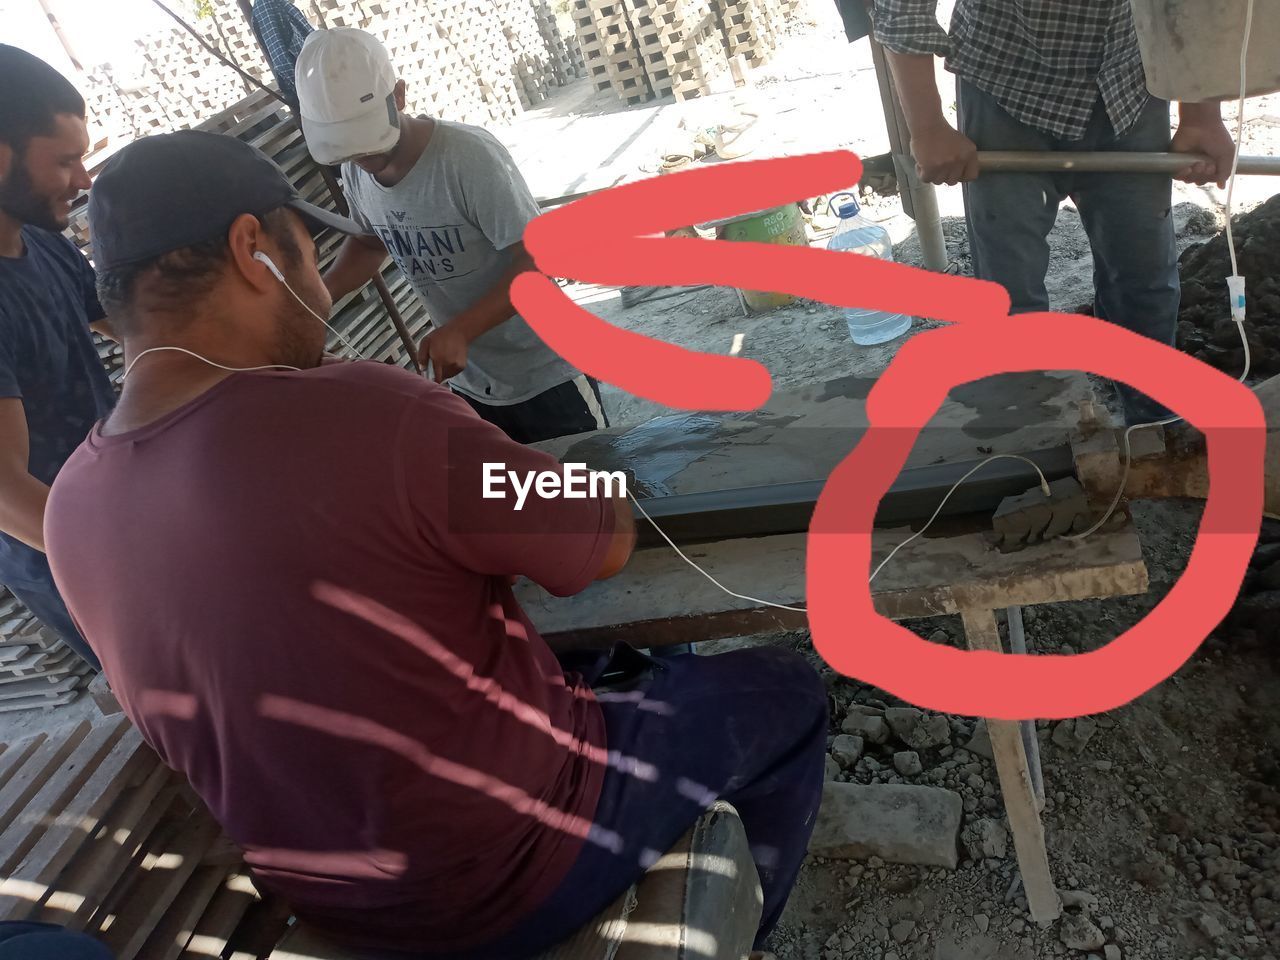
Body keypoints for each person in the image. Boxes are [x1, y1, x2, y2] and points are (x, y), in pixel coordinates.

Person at [45, 129, 828, 959]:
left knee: (595, 671)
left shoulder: (68, 508)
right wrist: (592, 481)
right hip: (507, 871)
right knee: (781, 692)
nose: (321, 284)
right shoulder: (366, 413)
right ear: (253, 251)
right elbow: (597, 546)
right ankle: (742, 927)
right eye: (308, 251)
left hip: (331, 901)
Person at [870, 0, 1237, 425]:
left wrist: (1201, 113)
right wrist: (928, 127)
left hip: (1129, 86)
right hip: (1007, 87)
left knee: (1145, 282)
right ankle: (1033, 443)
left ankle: (1153, 428)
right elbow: (901, 8)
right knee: (1009, 294)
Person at [296, 28, 609, 444]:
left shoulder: (466, 158)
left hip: (545, 373)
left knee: (589, 490)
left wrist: (461, 329)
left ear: (400, 96)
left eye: (369, 145)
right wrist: (318, 299)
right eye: (350, 150)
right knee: (516, 498)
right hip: (472, 382)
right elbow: (370, 241)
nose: (363, 160)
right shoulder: (356, 171)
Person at [0, 45, 112, 673]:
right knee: (184, 702)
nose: (84, 180)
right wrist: (125, 555)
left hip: (116, 503)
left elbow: (129, 325)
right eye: (65, 160)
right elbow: (4, 489)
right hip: (71, 558)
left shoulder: (42, 241)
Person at [237, 0, 314, 111]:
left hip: (313, 77)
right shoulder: (265, 6)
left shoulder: (278, 2)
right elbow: (280, 57)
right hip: (306, 85)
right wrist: (303, 87)